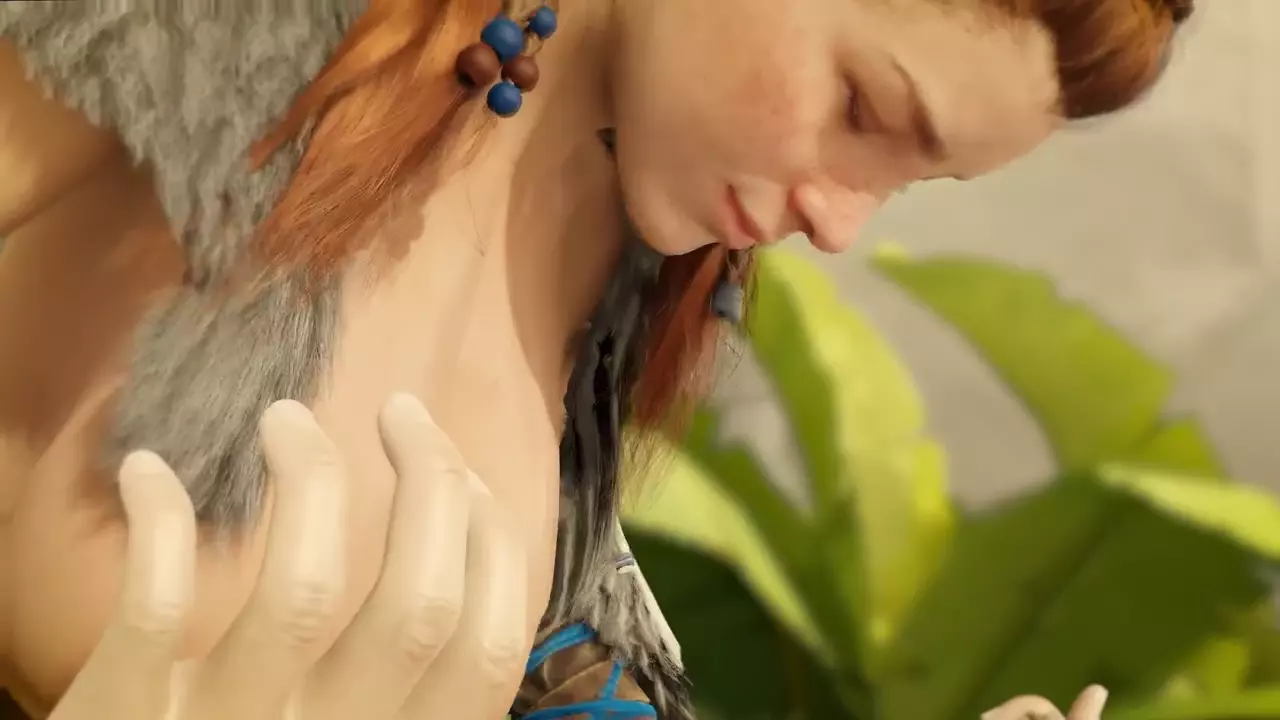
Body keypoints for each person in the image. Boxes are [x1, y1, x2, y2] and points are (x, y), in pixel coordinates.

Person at [0, 0, 1194, 717]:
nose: (841, 222)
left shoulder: (640, 277)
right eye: (862, 108)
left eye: (912, 180)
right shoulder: (212, 40)